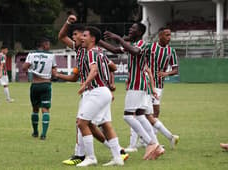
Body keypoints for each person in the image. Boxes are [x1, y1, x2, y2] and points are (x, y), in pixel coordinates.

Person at [57, 15, 128, 166]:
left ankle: (87, 156)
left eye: (81, 35)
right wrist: (109, 85)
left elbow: (95, 69)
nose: (77, 37)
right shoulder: (95, 51)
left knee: (83, 123)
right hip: (100, 91)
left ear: (90, 38)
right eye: (76, 35)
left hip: (94, 91)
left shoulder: (91, 52)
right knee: (104, 124)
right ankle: (118, 155)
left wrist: (88, 83)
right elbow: (112, 67)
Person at [104, 23, 164, 160]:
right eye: (130, 28)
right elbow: (115, 50)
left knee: (127, 116)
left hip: (137, 84)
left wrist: (119, 38)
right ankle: (157, 145)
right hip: (137, 84)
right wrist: (97, 40)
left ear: (140, 32)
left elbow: (135, 52)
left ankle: (151, 143)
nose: (130, 30)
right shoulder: (132, 45)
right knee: (140, 116)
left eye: (133, 29)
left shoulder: (142, 44)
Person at [145, 27, 179, 146]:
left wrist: (166, 73)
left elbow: (175, 70)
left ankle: (150, 139)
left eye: (170, 35)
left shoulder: (171, 51)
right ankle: (149, 140)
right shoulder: (150, 47)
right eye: (166, 35)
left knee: (154, 112)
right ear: (160, 36)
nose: (169, 38)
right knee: (143, 111)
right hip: (146, 84)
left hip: (159, 85)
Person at [22, 38, 57, 140]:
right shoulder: (51, 55)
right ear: (44, 45)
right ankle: (43, 134)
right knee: (45, 109)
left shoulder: (31, 54)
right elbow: (54, 70)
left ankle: (35, 132)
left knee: (35, 109)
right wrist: (54, 76)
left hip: (35, 85)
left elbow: (24, 67)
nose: (49, 46)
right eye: (48, 44)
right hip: (46, 85)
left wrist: (31, 70)